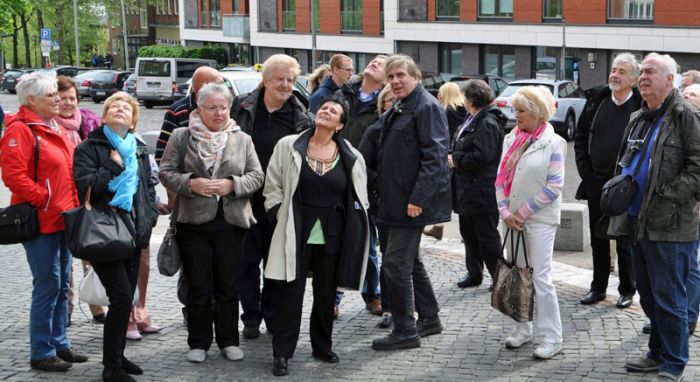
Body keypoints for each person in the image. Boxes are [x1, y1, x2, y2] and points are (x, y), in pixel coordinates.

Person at [263, 94, 369, 376]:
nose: (326, 111)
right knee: (290, 293)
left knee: (325, 294)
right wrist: (276, 213)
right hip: (295, 229)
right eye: (323, 107)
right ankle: (282, 352)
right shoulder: (288, 145)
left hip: (333, 232)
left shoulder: (352, 156)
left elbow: (360, 196)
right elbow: (272, 183)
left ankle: (322, 346)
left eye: (333, 111)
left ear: (340, 124)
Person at [159, 83, 264, 364]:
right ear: (199, 109)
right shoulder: (182, 136)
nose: (219, 113)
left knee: (229, 286)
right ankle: (198, 342)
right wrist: (190, 183)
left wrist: (233, 185)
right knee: (198, 286)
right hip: (193, 224)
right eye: (212, 107)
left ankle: (229, 340)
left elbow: (257, 176)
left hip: (232, 223)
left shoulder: (242, 139)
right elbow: (166, 172)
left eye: (223, 107)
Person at [611, 53, 700, 382]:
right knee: (647, 295)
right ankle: (656, 352)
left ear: (670, 78)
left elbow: (698, 168)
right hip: (636, 220)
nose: (643, 77)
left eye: (650, 72)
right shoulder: (638, 116)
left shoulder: (685, 115)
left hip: (671, 224)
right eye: (642, 72)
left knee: (670, 297)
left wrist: (664, 195)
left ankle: (674, 363)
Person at [0, 72, 87, 372]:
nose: (57, 99)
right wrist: (44, 198)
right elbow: (13, 177)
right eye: (51, 95)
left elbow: (66, 169)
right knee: (48, 285)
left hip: (63, 217)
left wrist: (73, 204)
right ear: (32, 100)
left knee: (62, 284)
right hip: (41, 220)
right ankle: (41, 351)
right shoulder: (21, 130)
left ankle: (60, 342)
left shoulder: (51, 125)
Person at [73, 92, 158, 382]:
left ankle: (118, 356)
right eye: (114, 106)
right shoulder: (89, 147)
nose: (120, 110)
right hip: (104, 233)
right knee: (121, 298)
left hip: (133, 232)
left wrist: (148, 220)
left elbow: (146, 188)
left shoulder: (139, 148)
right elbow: (86, 189)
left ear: (133, 120)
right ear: (105, 114)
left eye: (126, 108)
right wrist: (112, 165)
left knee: (126, 299)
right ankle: (111, 368)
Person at [371, 54, 451, 351]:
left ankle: (405, 330)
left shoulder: (426, 106)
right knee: (411, 262)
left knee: (395, 264)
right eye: (390, 77)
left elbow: (435, 156)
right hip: (394, 200)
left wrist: (419, 198)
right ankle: (429, 318)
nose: (395, 81)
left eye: (400, 75)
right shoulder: (402, 105)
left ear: (415, 76)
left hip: (410, 203)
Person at [232, 54, 315, 340]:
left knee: (275, 262)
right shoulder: (240, 107)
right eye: (280, 79)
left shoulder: (302, 116)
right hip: (245, 198)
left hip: (280, 203)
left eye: (290, 80)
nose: (286, 84)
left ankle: (270, 313)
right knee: (245, 262)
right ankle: (250, 317)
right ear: (265, 80)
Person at [495, 85, 566, 360]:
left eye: (522, 110)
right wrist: (504, 212)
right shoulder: (510, 138)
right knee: (517, 273)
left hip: (538, 220)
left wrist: (521, 213)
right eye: (515, 110)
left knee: (540, 277)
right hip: (511, 219)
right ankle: (522, 328)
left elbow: (555, 186)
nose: (517, 115)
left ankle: (551, 336)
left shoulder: (554, 142)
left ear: (537, 113)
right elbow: (500, 179)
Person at [574, 53, 642, 309]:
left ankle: (627, 289)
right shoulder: (597, 102)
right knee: (598, 237)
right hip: (596, 182)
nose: (615, 75)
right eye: (614, 70)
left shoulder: (641, 106)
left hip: (627, 185)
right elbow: (580, 138)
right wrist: (586, 172)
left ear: (633, 80)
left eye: (622, 72)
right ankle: (598, 287)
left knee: (625, 240)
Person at [54, 75, 107, 325]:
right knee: (65, 261)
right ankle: (67, 308)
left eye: (71, 98)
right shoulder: (49, 126)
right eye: (62, 98)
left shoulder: (89, 122)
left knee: (92, 253)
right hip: (62, 200)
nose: (67, 103)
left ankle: (97, 305)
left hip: (87, 199)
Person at [340, 54, 387, 316]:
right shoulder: (344, 93)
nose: (374, 63)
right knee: (334, 242)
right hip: (335, 175)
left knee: (367, 242)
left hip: (364, 181)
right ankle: (333, 299)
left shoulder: (382, 106)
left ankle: (373, 294)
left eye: (382, 62)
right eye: (373, 60)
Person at [450, 79, 506, 289]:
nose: (461, 100)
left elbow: (483, 156)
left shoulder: (487, 123)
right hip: (467, 189)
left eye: (464, 96)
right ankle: (474, 272)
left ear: (472, 99)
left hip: (482, 190)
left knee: (487, 235)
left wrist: (456, 159)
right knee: (469, 233)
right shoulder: (471, 118)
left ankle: (499, 277)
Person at [359, 84, 396, 328]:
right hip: (381, 202)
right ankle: (388, 306)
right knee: (386, 256)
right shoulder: (375, 131)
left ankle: (406, 307)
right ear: (382, 106)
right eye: (388, 101)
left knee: (403, 259)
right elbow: (363, 164)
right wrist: (382, 181)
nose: (393, 105)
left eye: (397, 100)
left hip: (406, 204)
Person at [155, 67, 225, 164]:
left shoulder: (226, 110)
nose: (224, 89)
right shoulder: (176, 111)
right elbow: (162, 154)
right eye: (219, 85)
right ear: (202, 87)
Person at [424, 82, 466, 241]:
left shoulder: (447, 111)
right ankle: (441, 228)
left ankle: (439, 227)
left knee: (444, 191)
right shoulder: (463, 110)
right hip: (458, 152)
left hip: (448, 153)